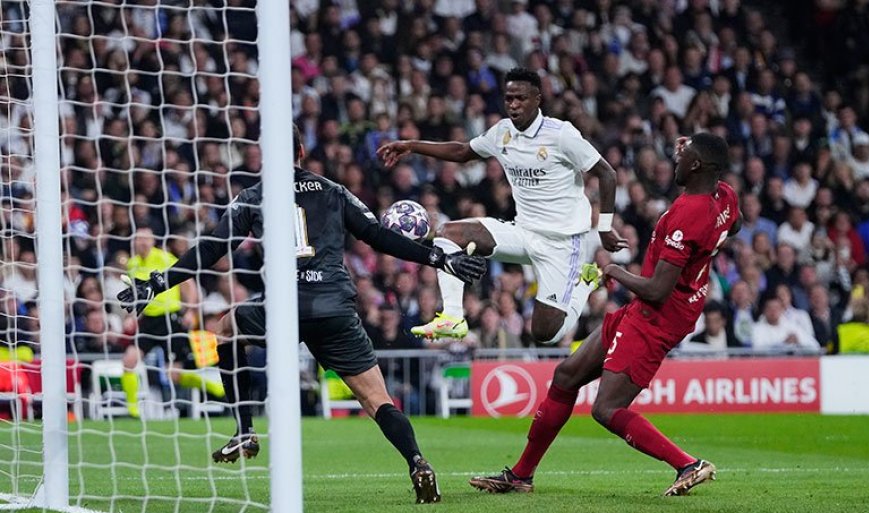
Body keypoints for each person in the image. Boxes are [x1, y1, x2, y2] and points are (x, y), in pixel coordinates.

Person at [117, 125, 487, 504]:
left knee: (226, 328)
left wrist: (159, 282)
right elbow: (377, 235)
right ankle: (417, 462)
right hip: (334, 307)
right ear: (301, 151)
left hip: (284, 306)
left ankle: (244, 429)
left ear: (266, 154)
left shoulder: (254, 196)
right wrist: (438, 257)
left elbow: (213, 247)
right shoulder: (333, 190)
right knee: (378, 399)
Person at [468, 133, 740, 497]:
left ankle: (688, 464)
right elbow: (733, 225)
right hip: (657, 309)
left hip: (657, 317)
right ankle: (521, 475)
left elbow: (657, 290)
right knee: (566, 375)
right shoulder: (725, 196)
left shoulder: (687, 213)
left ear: (696, 166)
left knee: (607, 408)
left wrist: (614, 271)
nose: (676, 158)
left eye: (684, 156)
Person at [378, 67, 627, 345]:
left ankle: (585, 283)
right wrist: (412, 145)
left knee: (544, 334)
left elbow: (607, 173)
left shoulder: (561, 135)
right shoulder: (502, 132)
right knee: (448, 233)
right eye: (509, 98)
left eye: (521, 98)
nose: (514, 105)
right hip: (524, 232)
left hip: (562, 244)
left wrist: (605, 227)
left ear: (537, 99)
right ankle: (453, 317)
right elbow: (462, 151)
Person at [122, 225, 223, 418]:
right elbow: (136, 295)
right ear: (133, 241)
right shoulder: (133, 264)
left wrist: (191, 311)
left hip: (170, 318)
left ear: (153, 241)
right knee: (129, 360)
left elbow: (188, 283)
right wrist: (130, 317)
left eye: (146, 238)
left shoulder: (165, 258)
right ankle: (132, 409)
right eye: (138, 238)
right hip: (148, 321)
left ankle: (212, 385)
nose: (142, 242)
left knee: (173, 374)